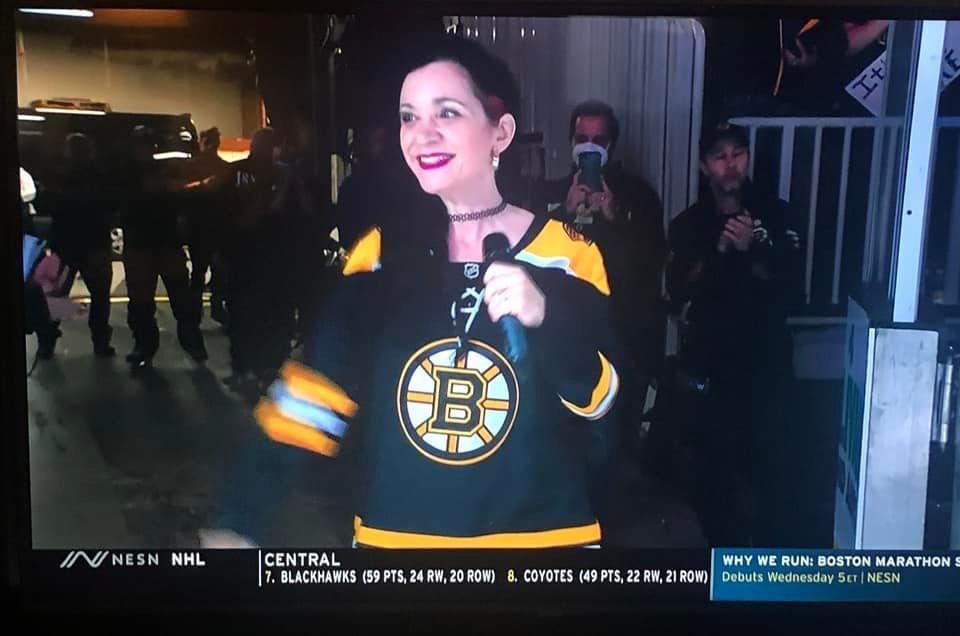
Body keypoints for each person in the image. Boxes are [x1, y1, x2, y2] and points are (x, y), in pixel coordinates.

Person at [201, 32, 621, 549]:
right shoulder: (380, 254)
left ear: (501, 132)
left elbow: (604, 411)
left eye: (447, 112)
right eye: (408, 117)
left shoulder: (566, 253)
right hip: (398, 545)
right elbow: (314, 393)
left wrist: (547, 319)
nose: (422, 135)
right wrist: (240, 517)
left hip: (545, 547)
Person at [665, 121, 803, 547]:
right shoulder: (688, 224)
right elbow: (678, 292)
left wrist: (753, 250)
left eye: (737, 154)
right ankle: (721, 565)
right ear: (705, 166)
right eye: (720, 156)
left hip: (766, 363)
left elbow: (794, 291)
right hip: (711, 365)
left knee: (771, 475)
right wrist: (720, 252)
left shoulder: (778, 215)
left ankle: (769, 568)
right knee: (712, 479)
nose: (730, 164)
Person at [542, 100, 667, 450]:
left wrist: (614, 217)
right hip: (566, 331)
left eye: (598, 140)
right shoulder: (551, 193)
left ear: (612, 144)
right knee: (567, 438)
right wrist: (564, 212)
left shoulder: (639, 196)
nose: (589, 147)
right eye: (582, 138)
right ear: (570, 142)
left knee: (621, 437)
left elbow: (653, 260)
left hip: (623, 331)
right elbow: (531, 259)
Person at [121, 126, 207, 369]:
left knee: (172, 299)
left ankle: (175, 344)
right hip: (151, 243)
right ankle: (152, 346)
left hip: (155, 243)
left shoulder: (139, 173)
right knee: (147, 302)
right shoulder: (136, 173)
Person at [40, 133, 116, 358]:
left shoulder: (58, 175)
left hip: (65, 243)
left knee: (57, 295)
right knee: (100, 297)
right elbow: (111, 206)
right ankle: (100, 342)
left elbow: (46, 203)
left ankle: (47, 342)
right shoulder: (100, 177)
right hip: (94, 242)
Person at [181, 127, 231, 327]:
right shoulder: (225, 168)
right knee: (218, 271)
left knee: (199, 271)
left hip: (199, 226)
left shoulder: (191, 167)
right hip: (217, 227)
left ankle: (194, 313)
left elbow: (181, 192)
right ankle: (216, 308)